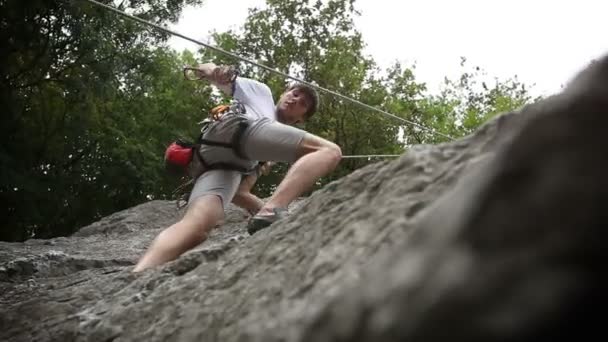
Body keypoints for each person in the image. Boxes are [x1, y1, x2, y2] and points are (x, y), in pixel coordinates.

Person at [133, 63, 342, 272]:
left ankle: (139, 273)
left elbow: (240, 193)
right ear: (284, 93)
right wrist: (213, 70)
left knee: (197, 227)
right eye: (294, 93)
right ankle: (273, 211)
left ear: (300, 119)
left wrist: (261, 202)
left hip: (221, 166)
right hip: (237, 129)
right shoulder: (262, 94)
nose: (295, 99)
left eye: (302, 103)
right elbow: (218, 75)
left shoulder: (270, 151)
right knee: (329, 151)